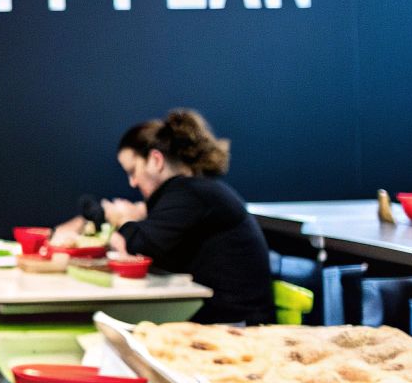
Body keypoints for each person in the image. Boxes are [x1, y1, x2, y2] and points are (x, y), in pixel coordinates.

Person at [56, 108, 275, 324]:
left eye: (133, 171)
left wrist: (121, 218)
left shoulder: (189, 193)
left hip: (237, 326)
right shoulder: (193, 192)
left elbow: (140, 244)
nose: (132, 183)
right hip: (227, 316)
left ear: (156, 160)